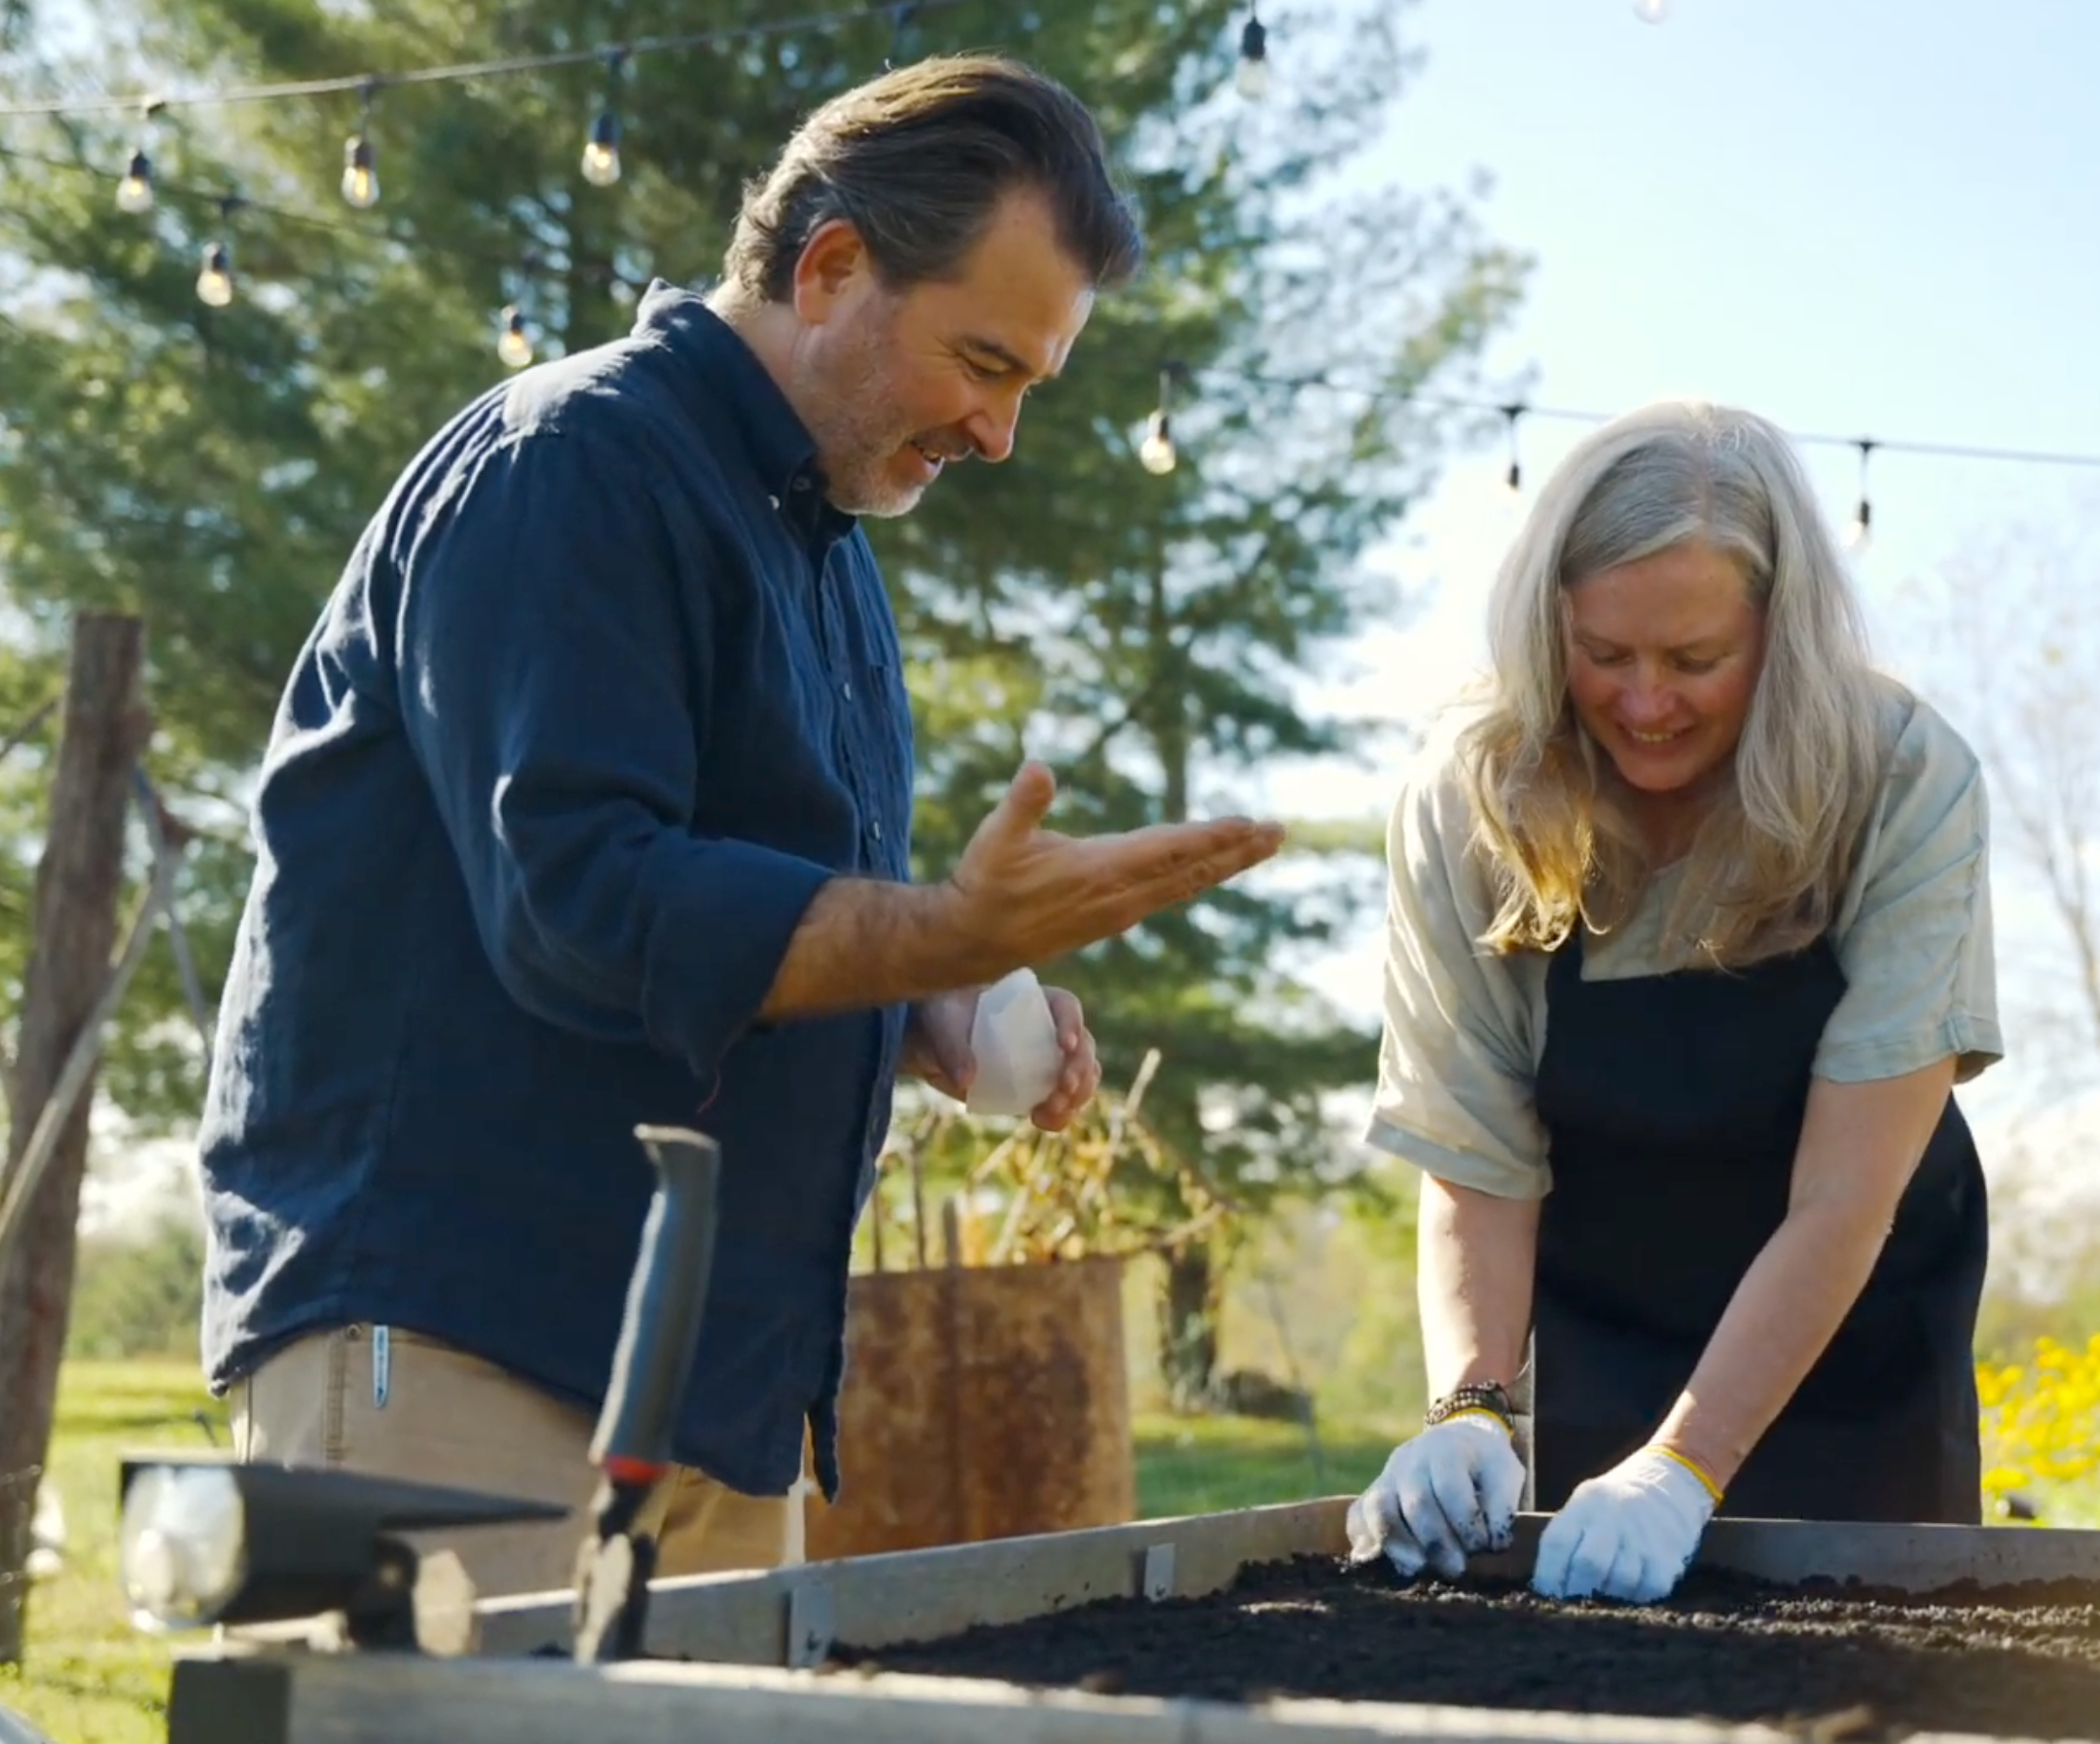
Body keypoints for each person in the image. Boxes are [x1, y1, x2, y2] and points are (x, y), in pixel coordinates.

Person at [196, 54, 1284, 1600]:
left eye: (1028, 386)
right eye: (985, 362)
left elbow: (774, 919)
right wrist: (941, 932)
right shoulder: (570, 464)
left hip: (715, 1399)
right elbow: (583, 904)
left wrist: (933, 1007)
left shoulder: (832, 562)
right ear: (829, 267)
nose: (999, 433)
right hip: (459, 1349)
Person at [1345, 400, 2006, 1606]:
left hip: (1856, 1357)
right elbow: (1477, 1154)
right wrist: (1471, 1407)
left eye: (1695, 661)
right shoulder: (1470, 797)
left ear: (1778, 638)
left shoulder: (1901, 781)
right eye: (1603, 654)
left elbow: (1844, 1197)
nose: (1645, 702)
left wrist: (1683, 1467)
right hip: (1597, 1331)